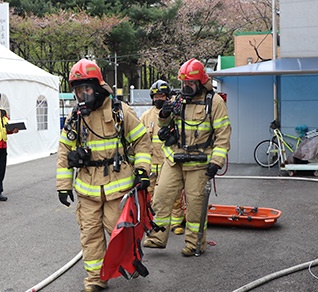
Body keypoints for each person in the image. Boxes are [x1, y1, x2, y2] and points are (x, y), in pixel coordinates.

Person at [56, 59, 151, 292]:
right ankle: (96, 279)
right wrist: (63, 185)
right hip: (88, 189)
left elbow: (141, 141)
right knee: (90, 235)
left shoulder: (120, 111)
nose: (82, 95)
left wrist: (142, 171)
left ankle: (131, 261)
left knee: (118, 232)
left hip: (118, 188)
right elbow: (64, 151)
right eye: (78, 90)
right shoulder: (76, 117)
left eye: (86, 89)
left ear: (97, 87)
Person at [143, 58, 231, 257]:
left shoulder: (214, 102)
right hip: (173, 160)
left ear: (200, 82)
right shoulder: (177, 100)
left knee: (195, 207)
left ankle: (195, 243)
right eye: (183, 83)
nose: (186, 87)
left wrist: (216, 162)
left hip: (199, 164)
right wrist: (164, 116)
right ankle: (157, 238)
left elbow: (223, 134)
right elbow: (164, 127)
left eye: (190, 83)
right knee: (161, 199)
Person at [140, 80, 185, 236]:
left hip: (169, 162)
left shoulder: (174, 114)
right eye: (156, 96)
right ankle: (155, 223)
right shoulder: (146, 116)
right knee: (151, 196)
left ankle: (176, 222)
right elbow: (140, 142)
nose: (159, 99)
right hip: (152, 164)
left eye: (162, 96)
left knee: (175, 195)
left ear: (168, 97)